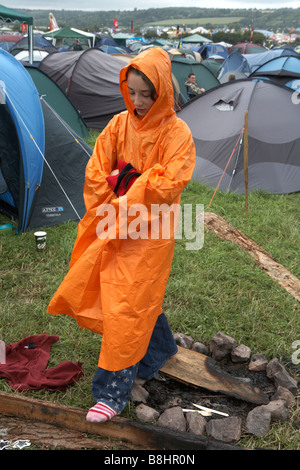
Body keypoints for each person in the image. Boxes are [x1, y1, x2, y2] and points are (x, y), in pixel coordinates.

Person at [47, 47, 196, 423]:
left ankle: (111, 393)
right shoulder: (118, 124)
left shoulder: (177, 133)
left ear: (164, 90)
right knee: (136, 296)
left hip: (150, 234)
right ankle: (160, 351)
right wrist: (122, 186)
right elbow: (97, 169)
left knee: (128, 304)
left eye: (148, 93)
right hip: (114, 225)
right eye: (133, 91)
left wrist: (126, 184)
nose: (139, 101)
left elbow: (169, 182)